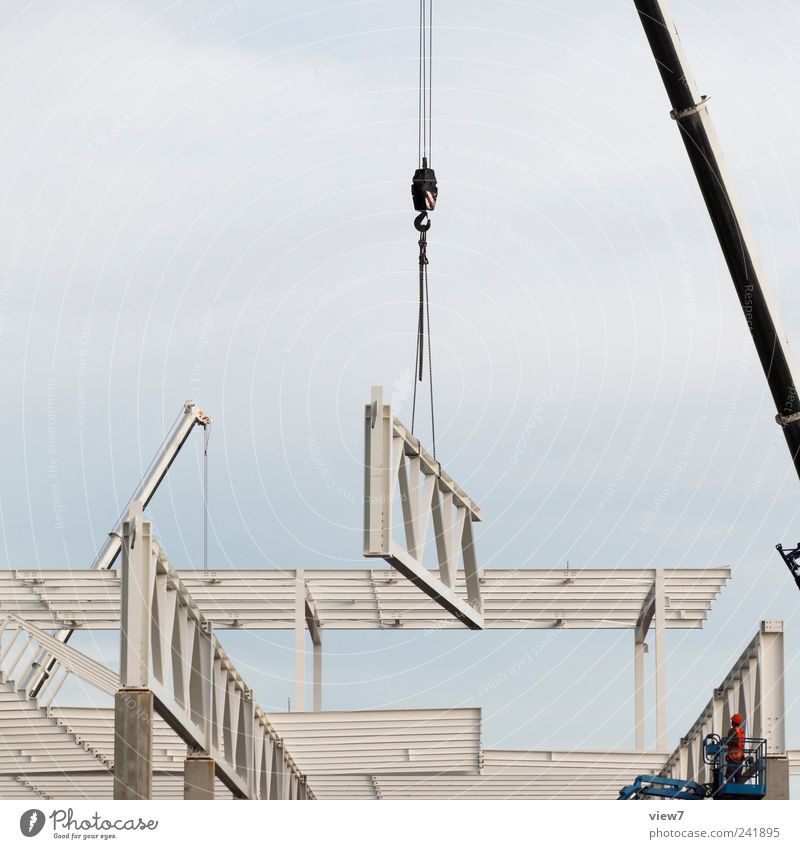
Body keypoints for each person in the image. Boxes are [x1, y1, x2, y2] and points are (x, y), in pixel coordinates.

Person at [723, 714, 745, 783]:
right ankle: (738, 791)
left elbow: (729, 742)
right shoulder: (741, 731)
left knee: (728, 775)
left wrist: (724, 742)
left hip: (733, 757)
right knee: (738, 776)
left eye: (732, 721)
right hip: (740, 757)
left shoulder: (732, 731)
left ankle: (731, 790)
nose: (731, 722)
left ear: (733, 722)